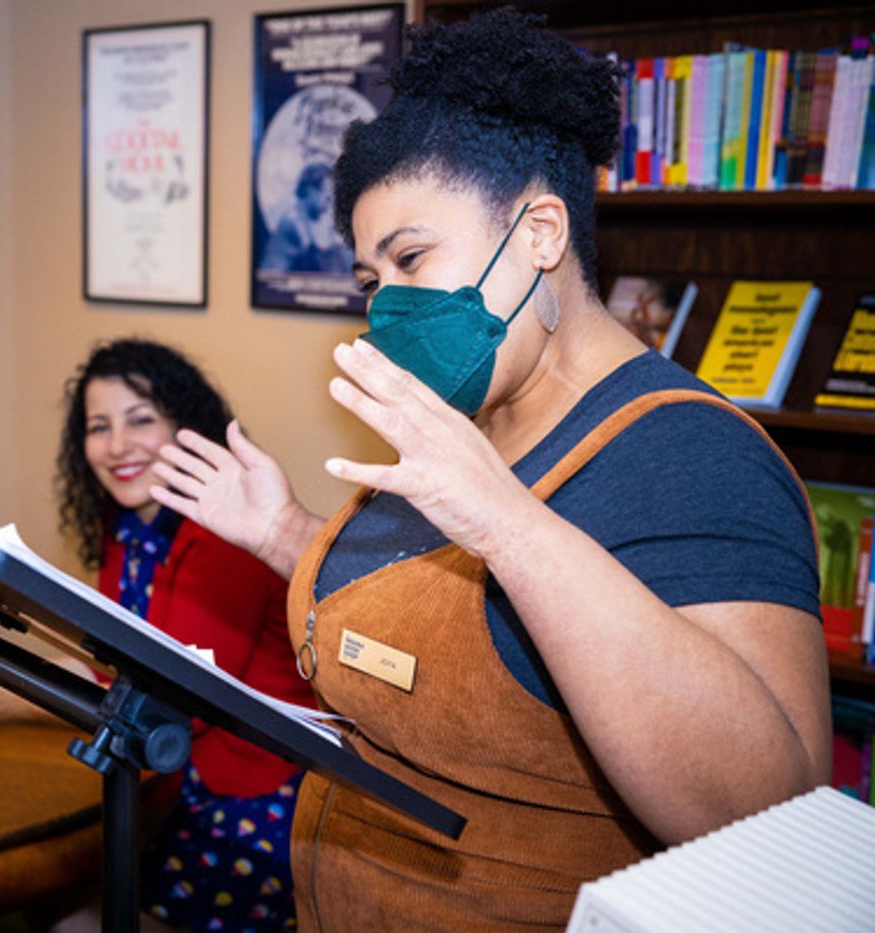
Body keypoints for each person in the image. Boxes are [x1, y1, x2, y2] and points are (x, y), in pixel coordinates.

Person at [148, 10, 830, 931]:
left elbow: (765, 814)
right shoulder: (469, 419)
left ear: (542, 232)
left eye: (412, 257)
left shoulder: (696, 459)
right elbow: (435, 632)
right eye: (369, 280)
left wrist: (509, 522)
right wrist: (283, 531)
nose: (387, 305)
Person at [55, 338, 316, 931]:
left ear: (187, 430)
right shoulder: (124, 522)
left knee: (78, 892)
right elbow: (116, 661)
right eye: (99, 427)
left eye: (140, 420)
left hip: (250, 790)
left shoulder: (228, 530)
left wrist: (22, 696)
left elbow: (174, 696)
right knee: (68, 890)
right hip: (165, 776)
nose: (117, 446)